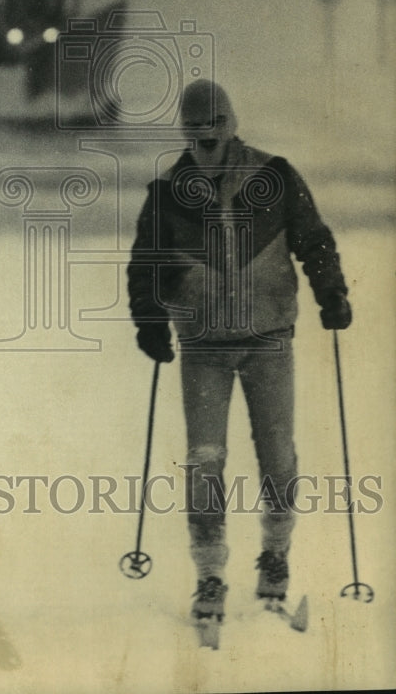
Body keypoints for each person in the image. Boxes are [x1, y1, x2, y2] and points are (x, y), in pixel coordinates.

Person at [127, 79, 351, 623]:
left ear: (230, 127)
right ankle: (209, 575)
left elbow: (312, 238)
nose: (206, 145)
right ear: (186, 134)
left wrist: (332, 291)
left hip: (269, 341)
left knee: (277, 454)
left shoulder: (274, 176)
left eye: (215, 132)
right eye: (197, 136)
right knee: (205, 460)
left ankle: (275, 555)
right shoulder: (166, 192)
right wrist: (150, 322)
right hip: (202, 345)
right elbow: (145, 268)